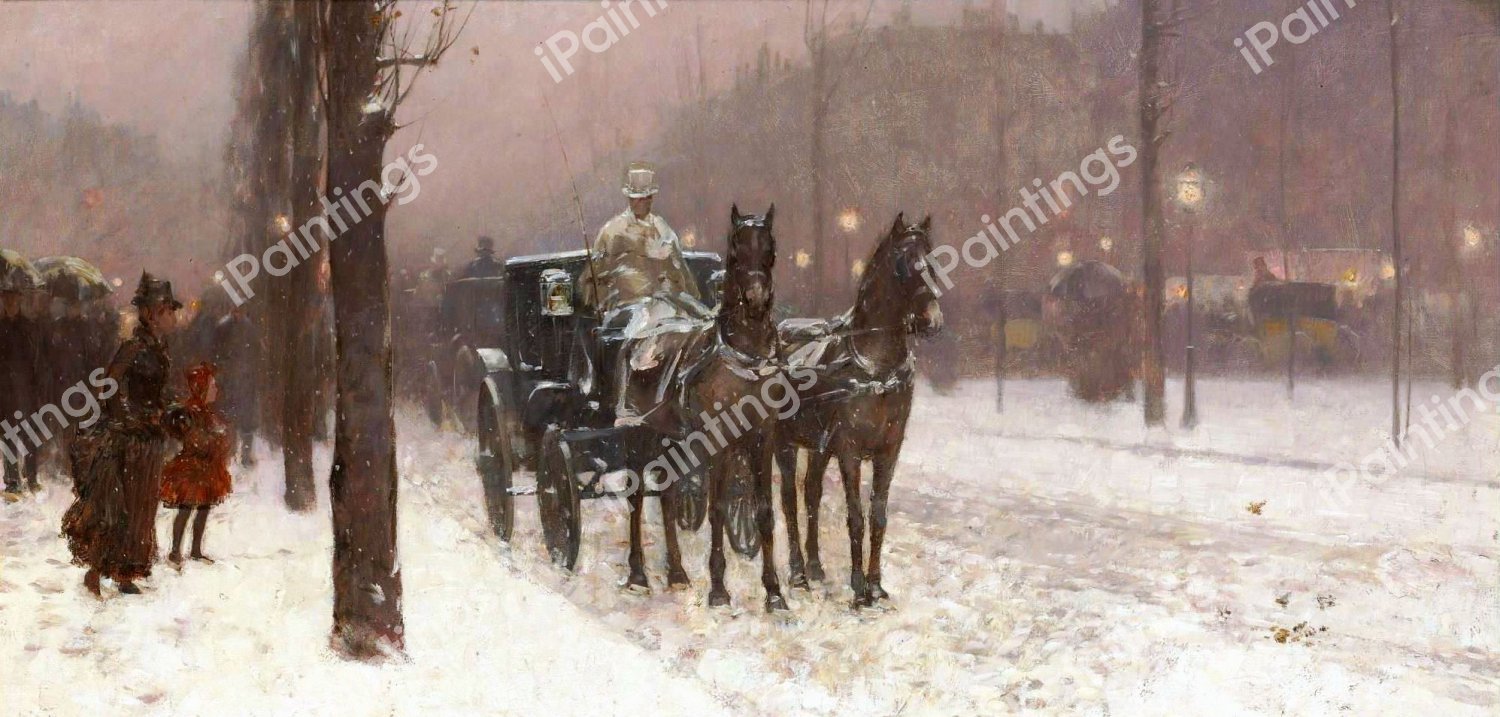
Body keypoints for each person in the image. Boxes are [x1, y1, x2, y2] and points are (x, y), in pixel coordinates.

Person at [62, 273, 181, 597]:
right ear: (150, 313)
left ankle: (126, 571)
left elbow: (159, 391)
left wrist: (169, 409)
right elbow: (109, 386)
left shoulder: (160, 349)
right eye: (167, 310)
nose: (172, 317)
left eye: (172, 310)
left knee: (143, 507)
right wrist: (125, 419)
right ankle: (100, 570)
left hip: (151, 438)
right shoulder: (134, 347)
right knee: (121, 507)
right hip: (130, 439)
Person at [577, 161, 711, 424]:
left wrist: (692, 299)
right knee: (638, 330)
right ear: (629, 198)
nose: (643, 203)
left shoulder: (664, 230)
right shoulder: (612, 232)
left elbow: (680, 269)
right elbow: (593, 277)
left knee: (703, 323)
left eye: (647, 198)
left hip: (668, 301)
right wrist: (600, 303)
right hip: (628, 305)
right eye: (638, 198)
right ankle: (626, 402)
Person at [161, 363, 233, 567]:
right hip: (192, 469)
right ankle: (175, 551)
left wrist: (217, 442)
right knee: (185, 508)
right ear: (201, 387)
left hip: (207, 468)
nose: (216, 390)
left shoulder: (206, 412)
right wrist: (212, 442)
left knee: (203, 508)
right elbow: (194, 439)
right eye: (212, 386)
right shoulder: (191, 411)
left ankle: (195, 550)